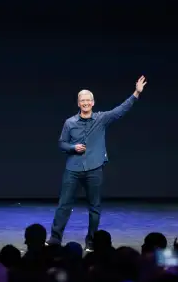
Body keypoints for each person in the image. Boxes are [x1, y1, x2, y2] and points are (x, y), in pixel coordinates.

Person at [48, 75, 147, 251]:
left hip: (94, 169)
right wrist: (72, 147)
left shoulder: (102, 119)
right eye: (82, 100)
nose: (85, 103)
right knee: (64, 205)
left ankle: (91, 241)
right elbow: (61, 143)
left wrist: (136, 93)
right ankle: (55, 238)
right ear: (78, 103)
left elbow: (120, 110)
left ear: (93, 103)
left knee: (94, 207)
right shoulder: (70, 123)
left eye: (88, 100)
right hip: (73, 169)